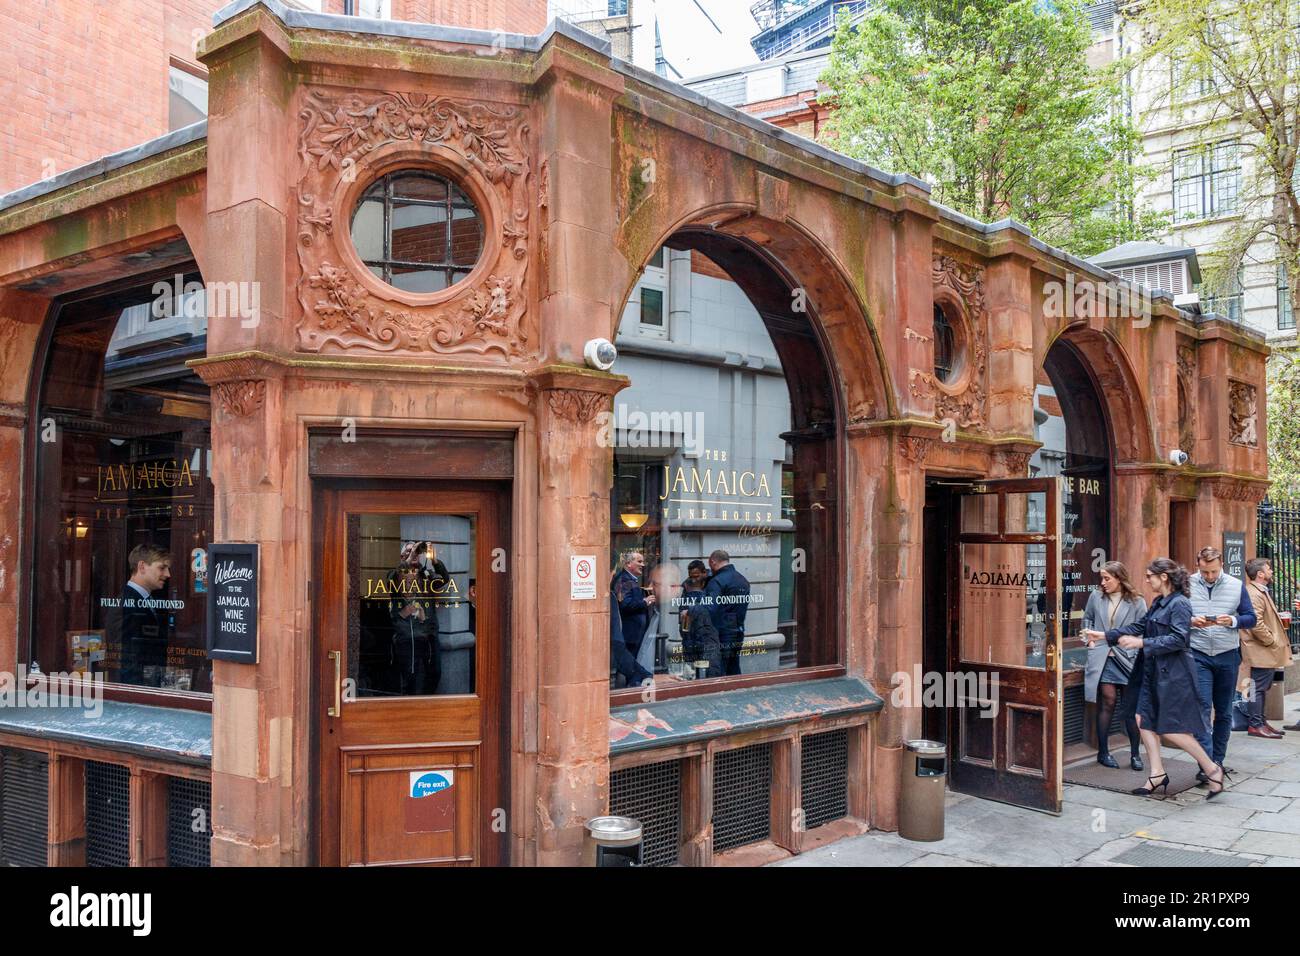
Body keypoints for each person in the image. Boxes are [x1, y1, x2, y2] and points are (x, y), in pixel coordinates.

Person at [1084, 558, 1226, 799]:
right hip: (1151, 671)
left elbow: (1180, 639)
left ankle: (1212, 768)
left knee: (1170, 728)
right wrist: (1105, 635)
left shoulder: (1180, 604)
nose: (1147, 579)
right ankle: (1157, 774)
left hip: (1173, 674)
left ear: (1164, 578)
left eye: (1150, 575)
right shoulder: (1159, 602)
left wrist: (1142, 643)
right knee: (1143, 720)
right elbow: (1139, 625)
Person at [1188, 547, 1256, 778]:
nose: (1209, 576)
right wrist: (1191, 621)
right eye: (1205, 571)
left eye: (1213, 571)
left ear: (1222, 566)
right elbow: (1174, 617)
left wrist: (1233, 620)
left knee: (1224, 712)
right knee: (1202, 710)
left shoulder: (1236, 586)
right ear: (1198, 565)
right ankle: (1207, 766)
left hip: (1227, 655)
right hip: (1198, 654)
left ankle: (1218, 759)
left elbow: (1251, 618)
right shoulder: (1187, 584)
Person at [1081, 561, 1147, 769]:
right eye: (1101, 578)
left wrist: (1133, 650)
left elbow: (1143, 631)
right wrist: (1090, 641)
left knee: (1129, 709)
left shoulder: (1137, 601)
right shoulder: (1095, 596)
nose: (1103, 582)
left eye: (1107, 578)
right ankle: (1103, 752)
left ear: (1119, 578)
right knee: (1107, 702)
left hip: (1127, 658)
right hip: (1103, 657)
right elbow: (1087, 620)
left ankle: (1135, 754)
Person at [1239, 558, 1291, 738]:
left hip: (1263, 650)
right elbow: (1256, 623)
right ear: (1260, 574)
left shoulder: (1259, 591)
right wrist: (1271, 641)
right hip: (1259, 650)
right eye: (1269, 569)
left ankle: (1261, 721)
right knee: (1256, 688)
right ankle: (1255, 724)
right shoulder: (1253, 594)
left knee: (1261, 687)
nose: (1271, 571)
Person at [387, 541, 448, 696]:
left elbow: (444, 580)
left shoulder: (426, 574)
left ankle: (424, 705)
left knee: (435, 673)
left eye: (415, 552)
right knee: (409, 679)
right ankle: (409, 711)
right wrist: (409, 559)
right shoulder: (395, 574)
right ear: (402, 557)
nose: (413, 554)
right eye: (408, 551)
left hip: (429, 634)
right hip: (408, 635)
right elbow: (391, 581)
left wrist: (434, 560)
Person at [115, 543, 171, 686]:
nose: (167, 574)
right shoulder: (127, 602)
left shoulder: (146, 599)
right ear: (142, 567)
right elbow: (125, 653)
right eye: (162, 568)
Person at [702, 550, 750, 676]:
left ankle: (717, 695)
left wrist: (691, 610)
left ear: (712, 561)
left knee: (718, 671)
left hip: (721, 633)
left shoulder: (716, 581)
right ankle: (737, 694)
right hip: (738, 630)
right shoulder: (742, 579)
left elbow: (710, 608)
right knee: (733, 668)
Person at [613, 551, 654, 660]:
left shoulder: (629, 579)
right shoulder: (624, 580)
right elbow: (625, 605)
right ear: (628, 564)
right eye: (639, 561)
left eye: (643, 562)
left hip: (633, 633)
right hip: (629, 634)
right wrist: (644, 602)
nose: (643, 565)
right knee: (628, 663)